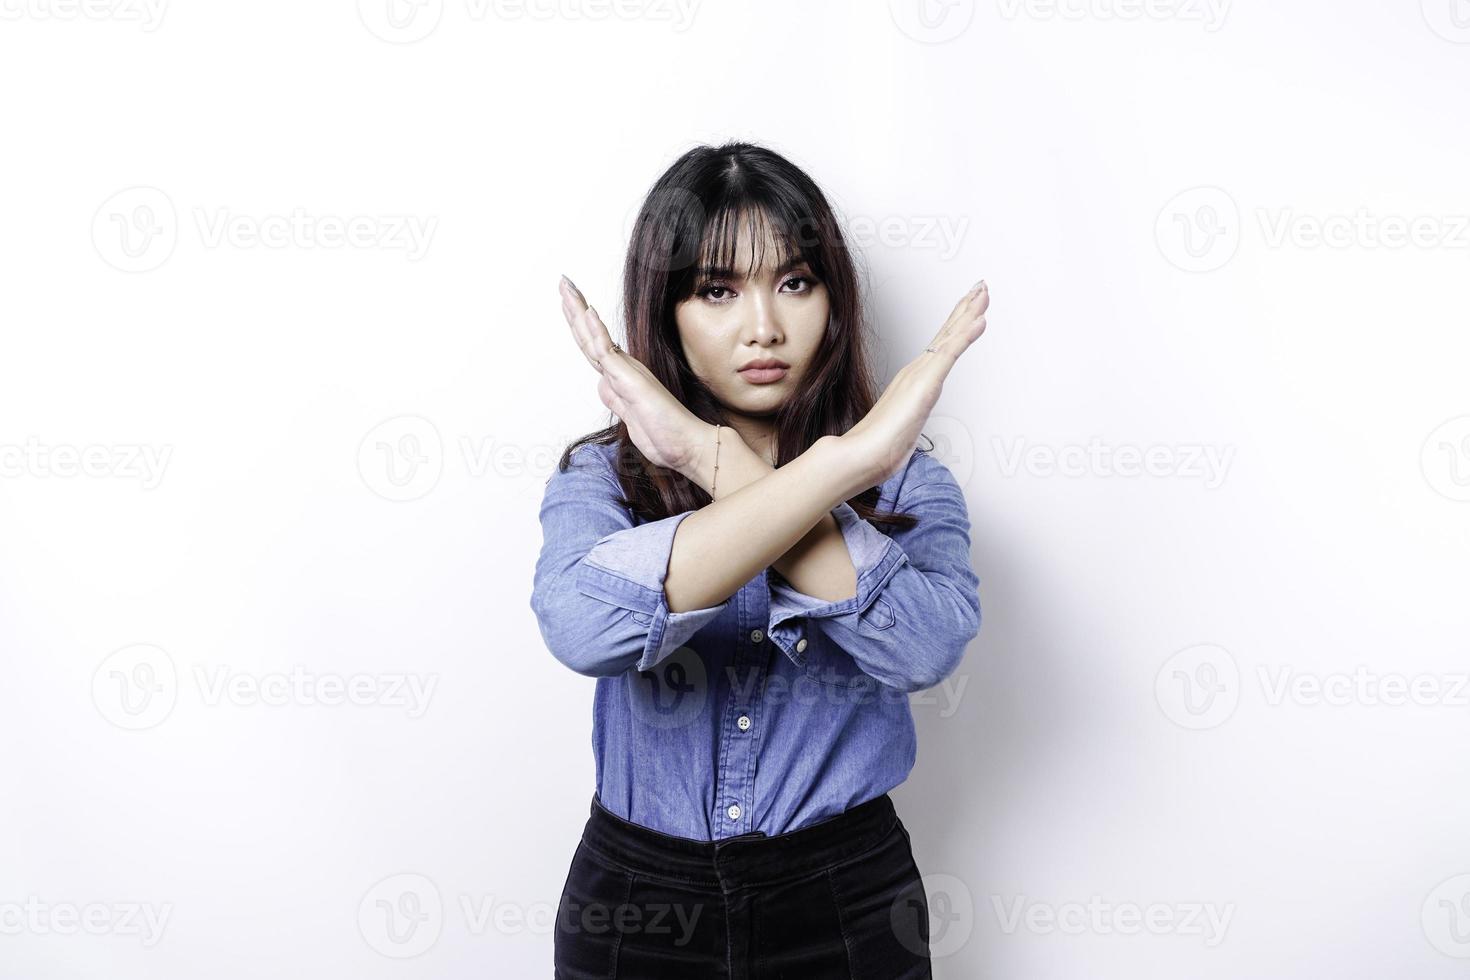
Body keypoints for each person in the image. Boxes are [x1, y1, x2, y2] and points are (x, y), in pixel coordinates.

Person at [530, 140, 986, 979]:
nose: (764, 327)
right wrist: (838, 470)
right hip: (638, 904)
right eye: (716, 290)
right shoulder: (603, 476)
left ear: (831, 297)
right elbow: (580, 631)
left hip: (846, 898)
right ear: (666, 308)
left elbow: (923, 652)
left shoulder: (908, 482)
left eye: (795, 282)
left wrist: (714, 458)